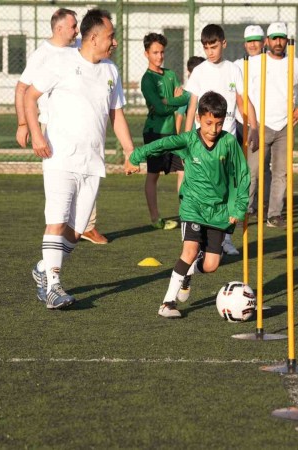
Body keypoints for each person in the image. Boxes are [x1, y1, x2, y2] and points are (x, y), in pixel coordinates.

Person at [24, 9, 135, 309]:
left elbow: (116, 114)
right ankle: (53, 288)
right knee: (56, 222)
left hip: (92, 163)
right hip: (59, 158)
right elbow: (29, 96)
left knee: (76, 230)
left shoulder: (111, 71)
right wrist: (35, 133)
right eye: (111, 36)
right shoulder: (61, 62)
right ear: (94, 36)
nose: (115, 42)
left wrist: (129, 150)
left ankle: (43, 269)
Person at [124, 91, 250, 318]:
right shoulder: (189, 140)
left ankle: (189, 272)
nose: (213, 129)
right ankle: (167, 303)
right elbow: (161, 144)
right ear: (199, 119)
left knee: (211, 265)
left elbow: (241, 175)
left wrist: (238, 208)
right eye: (209, 123)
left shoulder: (229, 143)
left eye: (219, 124)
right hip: (192, 206)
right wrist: (135, 157)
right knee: (190, 250)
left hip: (219, 211)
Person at [14, 8, 108, 246]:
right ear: (59, 29)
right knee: (62, 190)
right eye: (73, 26)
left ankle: (86, 225)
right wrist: (24, 124)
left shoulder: (78, 49)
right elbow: (23, 89)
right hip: (51, 123)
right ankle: (59, 229)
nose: (77, 30)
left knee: (87, 170)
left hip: (81, 124)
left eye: (78, 26)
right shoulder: (43, 55)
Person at [184, 24, 259, 256]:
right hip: (202, 142)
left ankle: (225, 238)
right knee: (204, 191)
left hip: (226, 139)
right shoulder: (200, 72)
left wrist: (254, 126)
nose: (210, 52)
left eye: (213, 46)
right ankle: (199, 240)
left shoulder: (234, 70)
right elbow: (192, 106)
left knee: (230, 191)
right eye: (206, 47)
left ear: (223, 44)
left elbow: (243, 99)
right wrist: (187, 140)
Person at [248, 22, 298, 228]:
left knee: (281, 172)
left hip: (285, 126)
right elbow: (242, 87)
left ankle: (274, 214)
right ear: (267, 41)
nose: (278, 42)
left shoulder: (295, 62)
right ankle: (246, 209)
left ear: (286, 40)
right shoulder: (256, 62)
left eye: (281, 38)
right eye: (274, 38)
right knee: (253, 171)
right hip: (260, 124)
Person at [140, 33, 190, 230]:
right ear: (146, 54)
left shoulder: (170, 74)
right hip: (154, 133)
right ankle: (155, 218)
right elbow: (160, 109)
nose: (160, 56)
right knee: (153, 175)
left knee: (184, 171)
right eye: (155, 52)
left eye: (162, 52)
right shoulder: (147, 80)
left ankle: (185, 213)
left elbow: (185, 99)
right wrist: (173, 101)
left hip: (172, 134)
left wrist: (167, 101)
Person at [234, 25, 264, 216]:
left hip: (263, 122)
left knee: (255, 168)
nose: (253, 45)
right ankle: (238, 201)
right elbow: (237, 94)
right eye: (249, 41)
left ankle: (248, 204)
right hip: (239, 121)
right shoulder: (237, 64)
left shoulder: (270, 62)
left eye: (256, 40)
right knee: (238, 166)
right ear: (245, 44)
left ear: (263, 42)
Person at [175, 56, 205, 134]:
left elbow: (179, 117)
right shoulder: (187, 92)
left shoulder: (187, 92)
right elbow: (179, 116)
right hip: (196, 136)